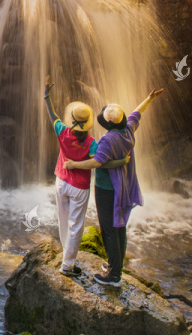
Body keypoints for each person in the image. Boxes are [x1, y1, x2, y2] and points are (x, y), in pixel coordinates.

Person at [65, 88, 164, 287]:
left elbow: (96, 163)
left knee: (109, 228)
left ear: (108, 123)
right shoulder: (127, 129)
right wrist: (149, 99)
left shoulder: (108, 140)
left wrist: (73, 165)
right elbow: (138, 112)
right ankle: (115, 265)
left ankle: (113, 276)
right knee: (119, 226)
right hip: (123, 184)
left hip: (107, 188)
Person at [44, 76, 129, 277]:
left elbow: (52, 114)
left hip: (61, 181)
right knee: (76, 226)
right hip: (79, 187)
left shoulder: (62, 132)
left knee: (63, 220)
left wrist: (46, 94)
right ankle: (68, 265)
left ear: (71, 120)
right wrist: (122, 161)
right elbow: (103, 162)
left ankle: (67, 257)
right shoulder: (92, 143)